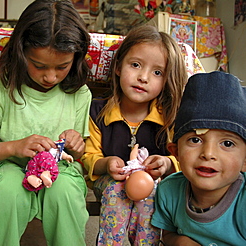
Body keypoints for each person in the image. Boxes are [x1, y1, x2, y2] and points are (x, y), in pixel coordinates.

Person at [0, 0, 92, 245]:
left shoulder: (79, 93)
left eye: (62, 66)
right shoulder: (0, 89)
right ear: (20, 52)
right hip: (8, 167)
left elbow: (83, 151)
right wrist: (13, 147)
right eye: (39, 65)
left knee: (64, 194)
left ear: (76, 58)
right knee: (6, 195)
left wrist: (76, 144)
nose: (50, 76)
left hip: (60, 171)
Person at [81, 24, 188, 245]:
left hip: (153, 185)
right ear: (119, 66)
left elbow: (184, 157)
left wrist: (167, 163)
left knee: (150, 192)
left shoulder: (168, 117)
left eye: (157, 72)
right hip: (109, 182)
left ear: (166, 80)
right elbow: (88, 156)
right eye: (136, 65)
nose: (143, 77)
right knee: (116, 191)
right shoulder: (97, 112)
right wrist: (106, 163)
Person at [151, 71, 246, 245]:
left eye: (227, 144)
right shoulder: (168, 190)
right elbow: (164, 233)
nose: (208, 153)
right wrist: (180, 242)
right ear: (176, 153)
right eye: (195, 140)